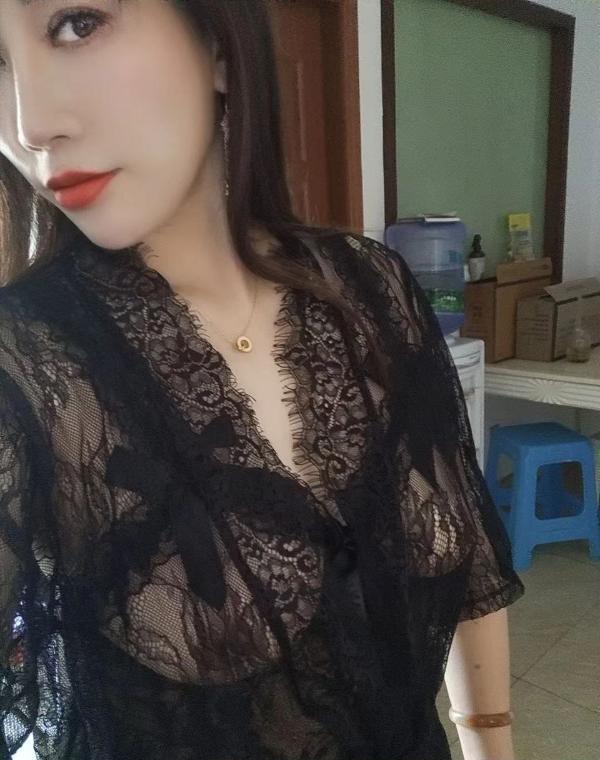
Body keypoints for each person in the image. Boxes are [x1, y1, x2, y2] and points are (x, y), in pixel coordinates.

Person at [0, 1, 525, 758]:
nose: (29, 125)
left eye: (77, 24)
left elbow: (467, 551)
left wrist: (490, 745)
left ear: (217, 43)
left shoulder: (371, 288)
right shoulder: (26, 364)